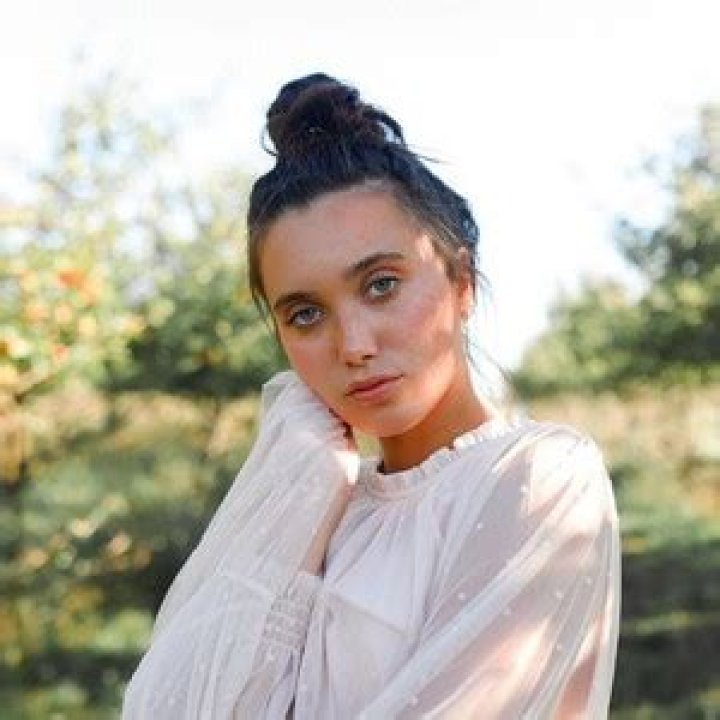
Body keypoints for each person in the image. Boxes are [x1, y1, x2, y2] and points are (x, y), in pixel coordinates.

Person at [122, 73, 621, 719]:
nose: (353, 346)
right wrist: (304, 477)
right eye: (306, 314)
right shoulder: (325, 506)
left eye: (381, 284)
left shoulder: (536, 475)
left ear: (462, 283)